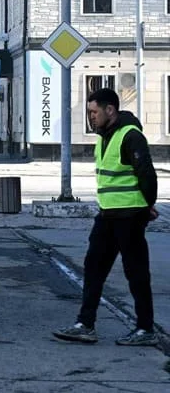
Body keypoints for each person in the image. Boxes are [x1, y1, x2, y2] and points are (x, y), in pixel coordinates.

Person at [54, 87, 159, 346]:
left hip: (130, 216)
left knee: (136, 273)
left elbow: (147, 174)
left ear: (109, 110)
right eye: (89, 112)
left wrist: (148, 206)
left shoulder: (130, 136)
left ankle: (145, 329)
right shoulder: (104, 136)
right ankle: (85, 324)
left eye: (93, 111)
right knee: (93, 268)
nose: (91, 117)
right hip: (108, 216)